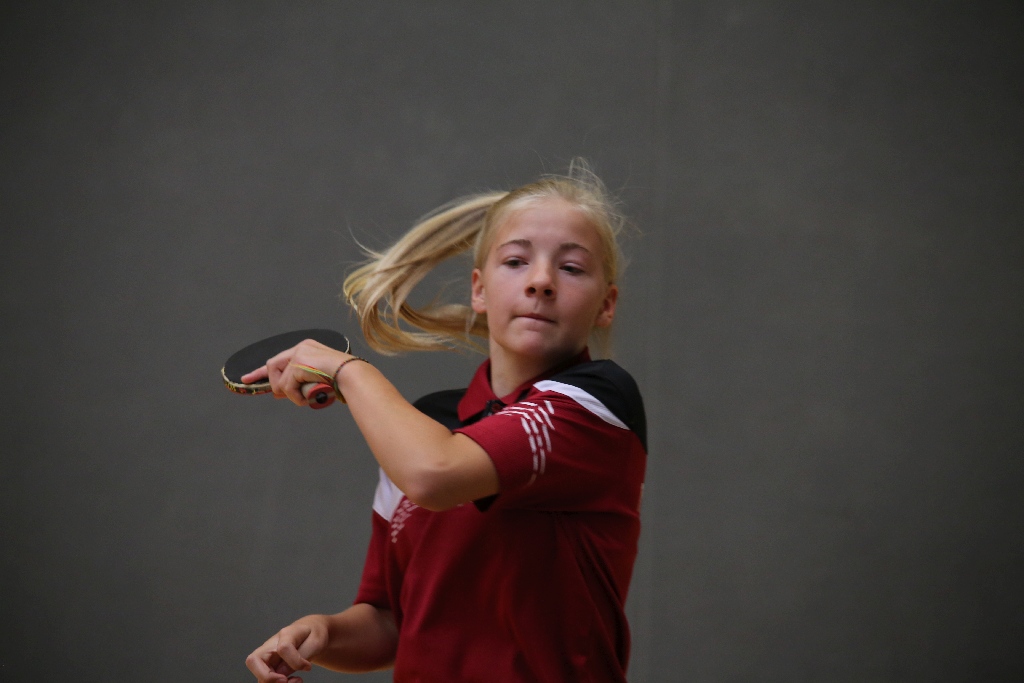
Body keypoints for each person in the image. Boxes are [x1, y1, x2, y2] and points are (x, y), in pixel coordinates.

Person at [243, 162, 647, 683]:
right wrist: (323, 633)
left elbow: (435, 474)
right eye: (516, 261)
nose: (541, 281)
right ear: (479, 290)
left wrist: (348, 371)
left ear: (606, 304)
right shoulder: (424, 425)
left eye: (571, 268)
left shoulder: (597, 403)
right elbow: (391, 620)